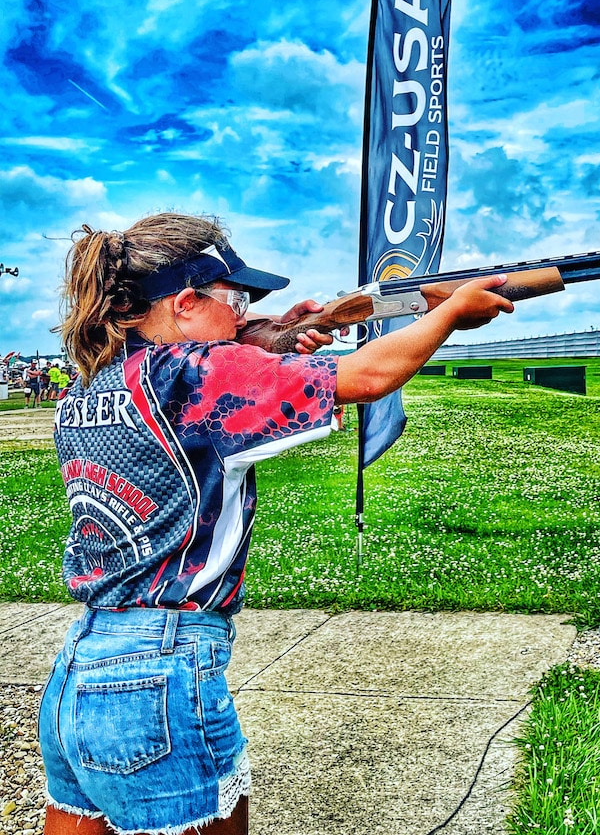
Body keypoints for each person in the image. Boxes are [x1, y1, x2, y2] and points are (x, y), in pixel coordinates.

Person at [40, 213, 513, 835]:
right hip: (162, 666)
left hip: (81, 662)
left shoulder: (93, 383)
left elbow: (215, 364)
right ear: (185, 304)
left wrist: (287, 334)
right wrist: (447, 314)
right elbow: (370, 376)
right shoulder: (200, 374)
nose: (242, 316)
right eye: (234, 301)